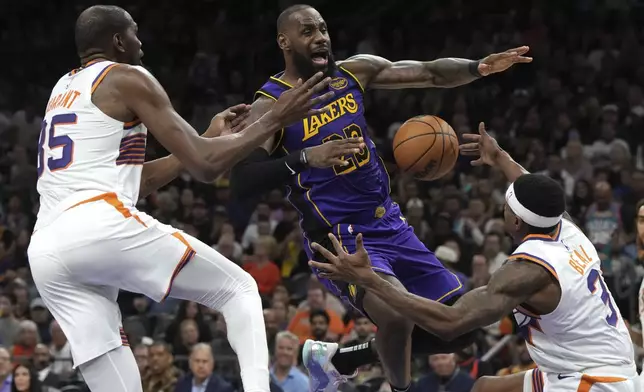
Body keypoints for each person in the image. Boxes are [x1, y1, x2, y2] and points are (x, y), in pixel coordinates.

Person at [27, 5, 333, 392]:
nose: (141, 42)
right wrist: (274, 119)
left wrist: (206, 137)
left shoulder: (62, 90)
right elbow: (208, 167)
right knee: (238, 290)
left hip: (47, 252)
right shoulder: (127, 77)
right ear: (119, 41)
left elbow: (134, 184)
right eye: (135, 32)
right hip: (97, 225)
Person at [229, 4, 531, 392]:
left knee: (461, 327)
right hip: (338, 235)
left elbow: (431, 73)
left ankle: (342, 359)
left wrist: (478, 68)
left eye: (323, 27)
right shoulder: (272, 104)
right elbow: (241, 180)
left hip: (388, 221)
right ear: (284, 42)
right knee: (397, 316)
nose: (320, 36)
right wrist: (305, 157)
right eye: (307, 31)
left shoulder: (353, 71)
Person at [309, 123, 639, 392]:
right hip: (598, 361)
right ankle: (345, 359)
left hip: (594, 382)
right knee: (484, 388)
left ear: (516, 221)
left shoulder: (528, 270)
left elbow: (449, 324)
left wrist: (371, 281)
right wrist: (500, 157)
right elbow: (535, 189)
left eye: (507, 205)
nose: (503, 207)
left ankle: (347, 360)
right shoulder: (569, 232)